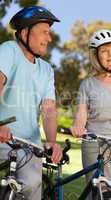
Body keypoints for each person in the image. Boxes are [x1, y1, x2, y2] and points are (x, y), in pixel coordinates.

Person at [0, 6, 62, 200]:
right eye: (44, 32)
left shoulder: (47, 69)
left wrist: (51, 141)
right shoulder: (8, 50)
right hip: (2, 138)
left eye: (49, 33)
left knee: (32, 187)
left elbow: (49, 108)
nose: (49, 38)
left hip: (29, 144)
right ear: (25, 32)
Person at [71, 29, 111, 199]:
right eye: (105, 50)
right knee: (98, 194)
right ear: (96, 56)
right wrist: (77, 126)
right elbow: (81, 115)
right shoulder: (87, 84)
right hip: (95, 145)